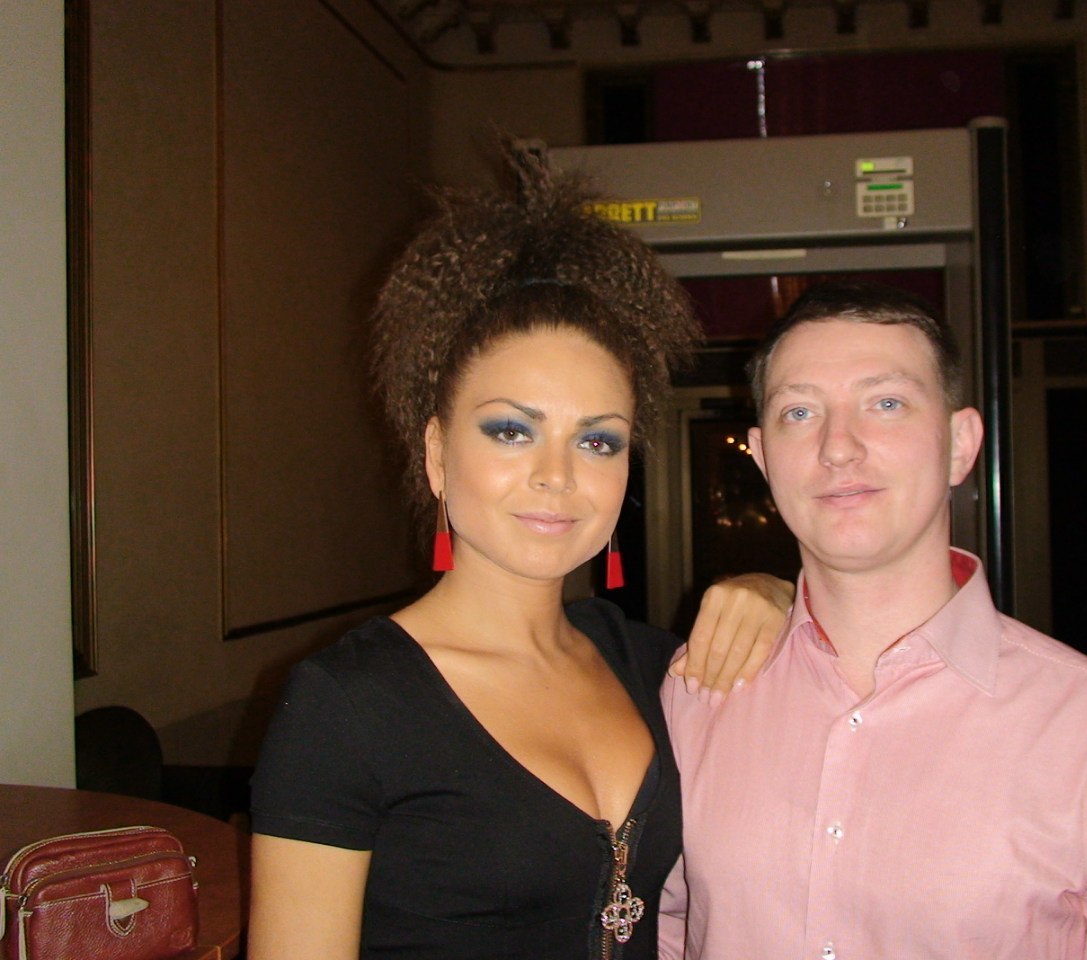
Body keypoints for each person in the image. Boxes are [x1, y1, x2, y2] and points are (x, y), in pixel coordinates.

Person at [248, 146, 790, 960]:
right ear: (437, 455)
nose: (557, 476)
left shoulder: (656, 666)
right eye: (511, 430)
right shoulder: (348, 704)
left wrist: (779, 592)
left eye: (598, 441)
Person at [659, 281, 1087, 959]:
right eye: (800, 412)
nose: (838, 447)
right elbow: (665, 931)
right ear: (761, 457)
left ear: (960, 444)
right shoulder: (697, 692)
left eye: (886, 403)